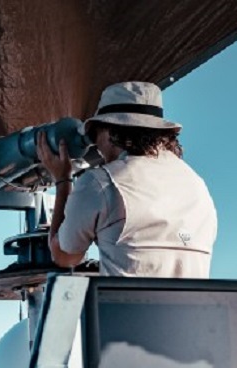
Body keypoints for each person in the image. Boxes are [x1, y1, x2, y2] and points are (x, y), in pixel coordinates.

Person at [39, 81, 218, 278]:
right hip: (195, 309)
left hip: (128, 308)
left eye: (94, 134)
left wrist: (63, 179)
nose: (96, 146)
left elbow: (64, 256)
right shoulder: (198, 185)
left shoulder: (101, 182)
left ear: (108, 132)